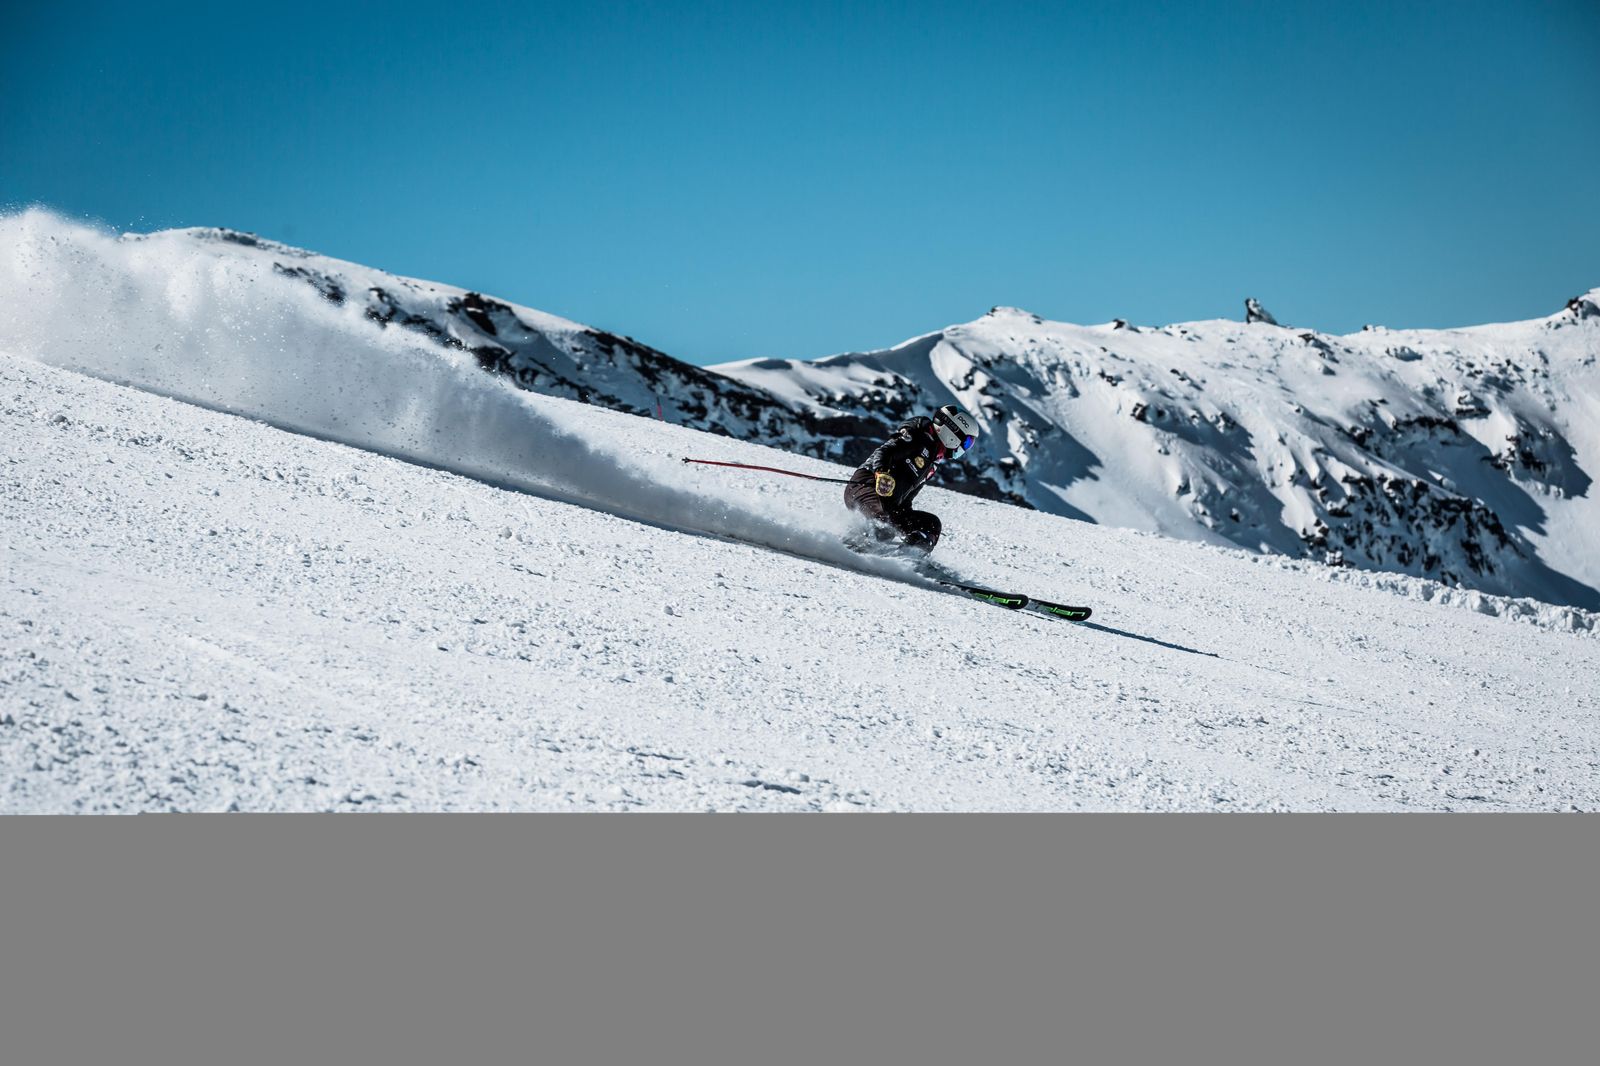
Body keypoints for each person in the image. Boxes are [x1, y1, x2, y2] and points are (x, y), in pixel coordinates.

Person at [844, 405, 980, 554]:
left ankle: (908, 559)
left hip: (888, 501)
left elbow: (906, 498)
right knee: (885, 524)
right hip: (865, 485)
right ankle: (849, 548)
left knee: (930, 525)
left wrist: (907, 524)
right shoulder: (919, 437)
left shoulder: (933, 460)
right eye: (967, 442)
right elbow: (884, 452)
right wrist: (881, 472)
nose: (965, 448)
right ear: (952, 432)